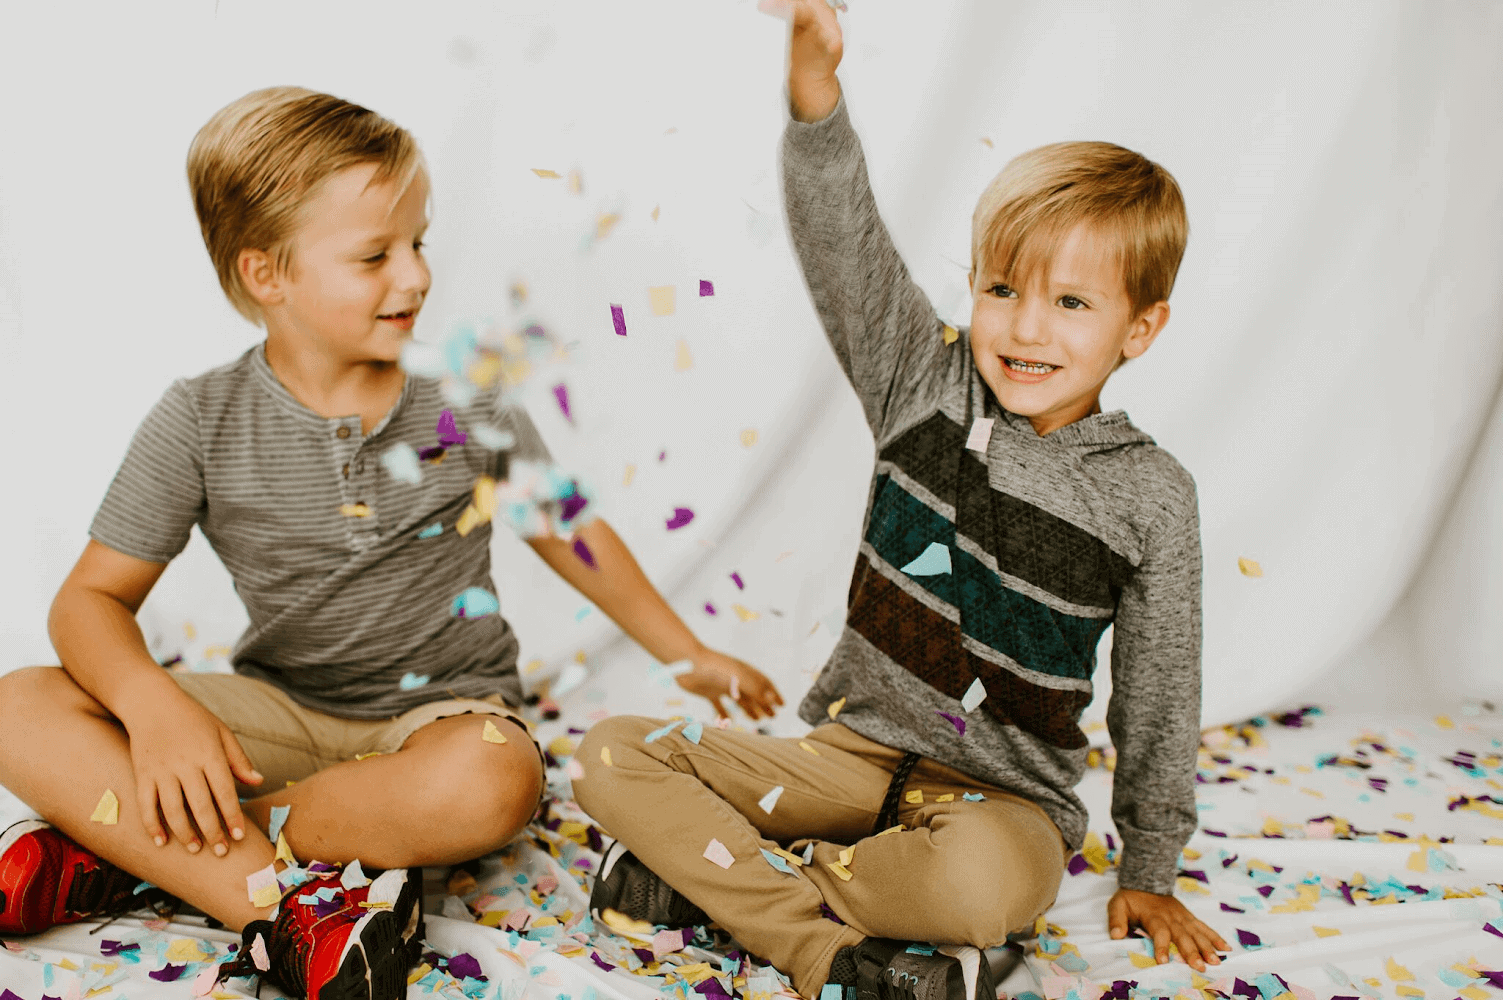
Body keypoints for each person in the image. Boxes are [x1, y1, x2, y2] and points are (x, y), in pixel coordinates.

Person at [0, 85, 782, 1000]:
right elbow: (88, 601)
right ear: (267, 276)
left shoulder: (464, 406)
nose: (414, 277)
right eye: (375, 255)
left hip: (439, 722)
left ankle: (138, 840)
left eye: (417, 244)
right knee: (19, 704)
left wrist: (685, 653)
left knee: (495, 780)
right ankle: (271, 908)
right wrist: (151, 707)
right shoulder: (199, 421)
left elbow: (570, 533)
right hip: (277, 714)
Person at [573, 4, 1230, 999]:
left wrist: (1149, 867)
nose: (1026, 327)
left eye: (1072, 303)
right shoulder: (922, 381)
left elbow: (1160, 693)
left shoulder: (1151, 494)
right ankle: (819, 941)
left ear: (1142, 327)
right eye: (1003, 289)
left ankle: (718, 881)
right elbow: (845, 240)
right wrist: (814, 92)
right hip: (847, 760)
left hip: (1000, 805)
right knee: (612, 755)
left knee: (973, 887)